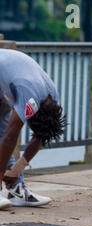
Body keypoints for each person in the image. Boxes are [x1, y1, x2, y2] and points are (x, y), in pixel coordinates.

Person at [0, 49, 66, 210]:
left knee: (3, 126)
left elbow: (42, 134)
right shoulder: (30, 99)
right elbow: (11, 136)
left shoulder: (52, 98)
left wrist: (19, 167)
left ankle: (16, 190)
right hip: (7, 79)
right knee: (7, 133)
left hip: (5, 85)